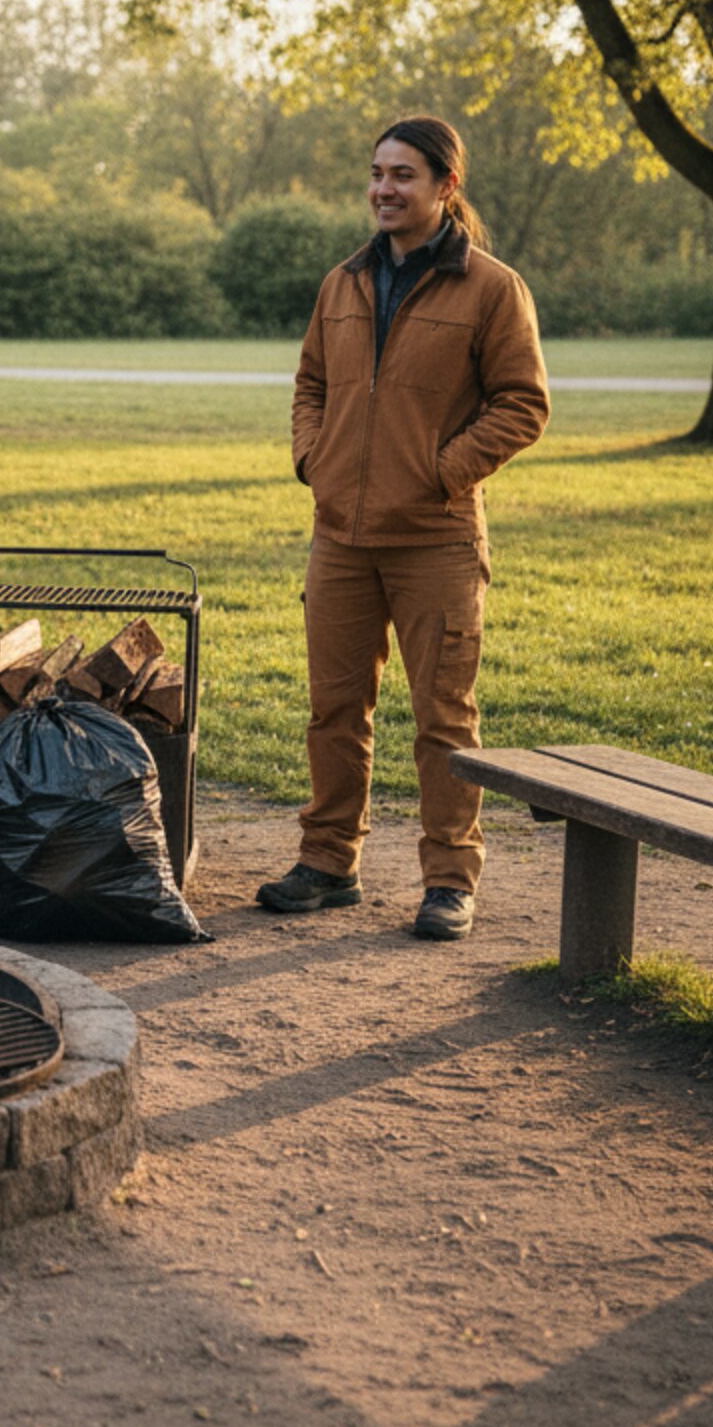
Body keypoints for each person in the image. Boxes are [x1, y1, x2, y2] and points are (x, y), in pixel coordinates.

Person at [257, 115, 550, 940]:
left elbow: (523, 405)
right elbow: (310, 383)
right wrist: (313, 458)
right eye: (377, 173)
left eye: (404, 176)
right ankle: (327, 863)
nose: (385, 189)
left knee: (443, 718)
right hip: (341, 536)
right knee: (333, 709)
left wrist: (440, 471)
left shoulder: (493, 288)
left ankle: (449, 880)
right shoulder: (341, 282)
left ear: (445, 187)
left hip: (437, 539)